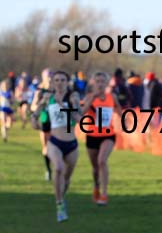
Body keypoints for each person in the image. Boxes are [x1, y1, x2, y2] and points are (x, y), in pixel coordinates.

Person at [32, 70, 82, 222]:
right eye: (56, 80)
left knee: (66, 179)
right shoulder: (48, 97)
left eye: (62, 80)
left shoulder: (73, 97)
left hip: (71, 143)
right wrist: (35, 116)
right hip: (54, 141)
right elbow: (37, 114)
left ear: (67, 82)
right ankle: (59, 205)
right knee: (58, 168)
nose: (59, 83)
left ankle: (61, 196)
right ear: (52, 82)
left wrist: (63, 105)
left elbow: (78, 118)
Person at [80, 71, 122, 206]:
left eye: (102, 81)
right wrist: (92, 99)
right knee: (95, 168)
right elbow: (81, 113)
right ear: (93, 82)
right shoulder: (89, 97)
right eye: (97, 81)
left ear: (107, 83)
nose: (100, 84)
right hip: (92, 136)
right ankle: (96, 187)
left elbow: (118, 109)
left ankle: (104, 194)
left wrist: (124, 120)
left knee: (102, 161)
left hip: (108, 135)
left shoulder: (112, 97)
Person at [30, 68, 54, 180]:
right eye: (47, 76)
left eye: (51, 75)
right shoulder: (40, 91)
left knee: (58, 145)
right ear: (43, 77)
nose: (49, 78)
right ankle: (48, 170)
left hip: (57, 121)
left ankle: (59, 168)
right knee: (46, 147)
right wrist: (41, 105)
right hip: (45, 119)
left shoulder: (58, 89)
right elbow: (33, 106)